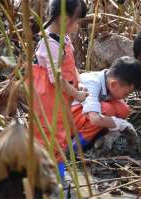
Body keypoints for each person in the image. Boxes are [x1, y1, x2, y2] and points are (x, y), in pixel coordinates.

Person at [29, 0, 88, 180]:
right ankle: (51, 181)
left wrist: (79, 81)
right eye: (77, 21)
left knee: (59, 135)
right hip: (47, 99)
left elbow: (70, 66)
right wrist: (77, 94)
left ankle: (55, 177)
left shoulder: (63, 38)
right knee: (49, 138)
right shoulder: (51, 44)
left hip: (59, 98)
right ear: (64, 19)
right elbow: (56, 79)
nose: (78, 26)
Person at [70, 56, 141, 150]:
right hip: (63, 120)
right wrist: (121, 124)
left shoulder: (108, 81)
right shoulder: (91, 83)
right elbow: (95, 119)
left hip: (79, 117)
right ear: (113, 84)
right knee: (106, 109)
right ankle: (76, 145)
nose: (126, 97)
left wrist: (116, 127)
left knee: (123, 110)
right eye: (126, 93)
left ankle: (103, 135)